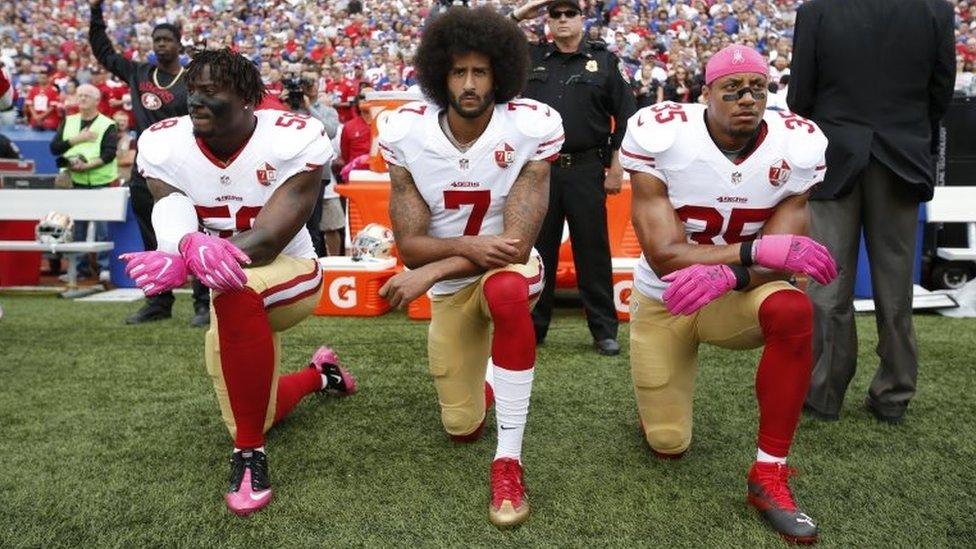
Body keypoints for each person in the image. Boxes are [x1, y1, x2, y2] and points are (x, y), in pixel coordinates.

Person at [120, 49, 356, 516]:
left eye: (211, 91)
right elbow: (171, 203)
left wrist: (188, 260)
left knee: (235, 290)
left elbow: (268, 241)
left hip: (291, 275)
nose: (195, 101)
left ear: (249, 98)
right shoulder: (165, 143)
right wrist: (178, 244)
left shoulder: (293, 136)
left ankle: (249, 456)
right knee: (258, 411)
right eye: (194, 90)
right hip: (227, 284)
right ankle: (320, 375)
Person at [620, 45, 837, 544]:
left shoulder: (796, 144)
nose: (747, 99)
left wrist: (735, 275)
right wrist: (751, 253)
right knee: (668, 443)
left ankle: (769, 473)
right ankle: (657, 403)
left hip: (736, 297)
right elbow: (665, 255)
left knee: (792, 306)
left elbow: (781, 263)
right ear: (705, 94)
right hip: (666, 300)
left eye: (758, 89)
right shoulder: (665, 135)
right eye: (732, 89)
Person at [377, 7, 563, 528]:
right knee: (460, 427)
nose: (469, 82)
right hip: (453, 286)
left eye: (480, 71)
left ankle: (509, 460)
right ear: (440, 75)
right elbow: (412, 245)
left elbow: (516, 245)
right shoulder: (406, 133)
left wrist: (432, 271)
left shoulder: (530, 127)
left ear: (499, 74)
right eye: (459, 71)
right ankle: (489, 384)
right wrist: (449, 260)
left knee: (506, 292)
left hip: (506, 271)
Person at [788, 0, 956, 424]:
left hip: (835, 155)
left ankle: (824, 393)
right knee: (895, 285)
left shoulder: (816, 11)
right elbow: (941, 90)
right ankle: (894, 395)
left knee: (827, 285)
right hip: (902, 153)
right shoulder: (935, 9)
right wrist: (906, 128)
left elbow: (799, 96)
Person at [511, 0, 637, 356]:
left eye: (569, 13)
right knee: (537, 250)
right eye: (555, 14)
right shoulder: (530, 58)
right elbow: (493, 37)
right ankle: (533, 326)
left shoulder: (605, 61)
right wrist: (525, 11)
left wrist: (617, 165)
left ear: (582, 19)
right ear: (546, 20)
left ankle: (603, 329)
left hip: (586, 168)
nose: (562, 20)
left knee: (592, 250)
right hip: (539, 169)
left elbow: (626, 115)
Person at [88, 0, 210, 327]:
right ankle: (158, 301)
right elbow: (104, 53)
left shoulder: (192, 78)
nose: (160, 45)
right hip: (146, 168)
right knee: (150, 233)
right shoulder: (139, 72)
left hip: (185, 168)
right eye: (156, 40)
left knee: (194, 232)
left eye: (166, 40)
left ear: (179, 44)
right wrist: (96, 14)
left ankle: (203, 303)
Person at [49, 83, 119, 280]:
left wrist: (86, 166)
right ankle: (79, 269)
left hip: (100, 182)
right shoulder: (68, 121)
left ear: (97, 100)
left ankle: (104, 268)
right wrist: (78, 139)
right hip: (74, 182)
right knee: (76, 229)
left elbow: (109, 154)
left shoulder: (107, 124)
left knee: (103, 229)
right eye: (79, 95)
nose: (82, 99)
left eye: (87, 95)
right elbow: (55, 148)